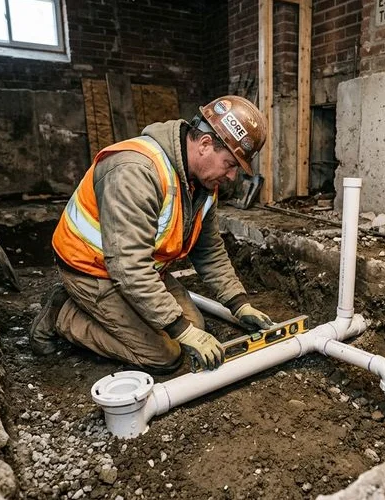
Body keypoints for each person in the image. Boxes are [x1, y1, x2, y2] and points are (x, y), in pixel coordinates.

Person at [29, 95, 274, 372]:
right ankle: (63, 314)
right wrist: (178, 329)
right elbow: (127, 266)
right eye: (230, 164)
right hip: (91, 270)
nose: (232, 176)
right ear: (205, 144)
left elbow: (209, 250)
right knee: (165, 354)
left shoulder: (203, 184)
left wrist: (239, 303)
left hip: (139, 269)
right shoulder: (135, 171)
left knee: (194, 326)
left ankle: (126, 319)